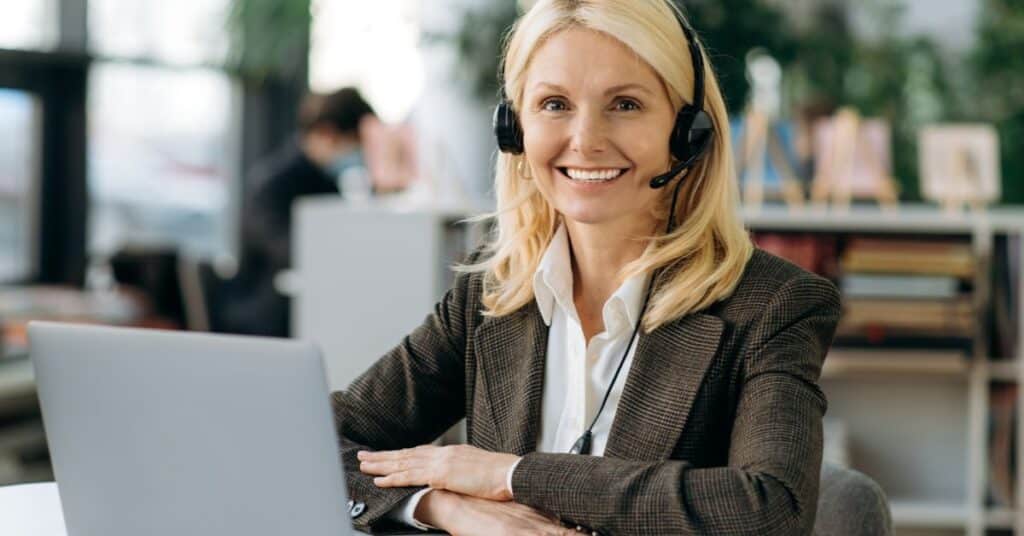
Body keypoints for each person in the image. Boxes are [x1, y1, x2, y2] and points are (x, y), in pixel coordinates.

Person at [333, 1, 841, 534]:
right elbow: (319, 440)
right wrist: (445, 506)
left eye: (625, 104)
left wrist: (516, 475)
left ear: (687, 131)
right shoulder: (491, 295)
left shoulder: (772, 305)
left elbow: (770, 510)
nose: (586, 139)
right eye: (554, 103)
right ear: (514, 130)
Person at [221, 87, 376, 337]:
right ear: (327, 134)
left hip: (309, 310)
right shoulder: (271, 186)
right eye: (355, 143)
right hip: (266, 320)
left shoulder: (325, 183)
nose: (360, 155)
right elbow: (294, 251)